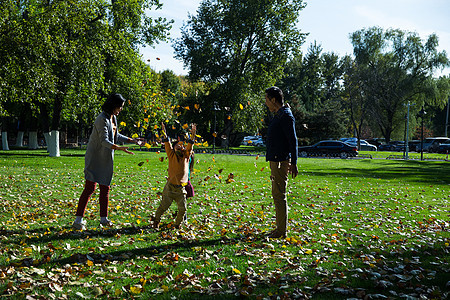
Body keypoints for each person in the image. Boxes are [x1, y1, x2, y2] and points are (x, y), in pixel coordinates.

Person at [72, 93, 143, 230]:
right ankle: (78, 221)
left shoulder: (113, 118)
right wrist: (120, 148)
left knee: (105, 187)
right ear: (113, 105)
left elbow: (116, 135)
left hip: (106, 158)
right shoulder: (101, 119)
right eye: (120, 106)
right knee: (89, 188)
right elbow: (104, 140)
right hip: (95, 157)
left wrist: (131, 140)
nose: (121, 109)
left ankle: (104, 219)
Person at [264, 86, 298, 238]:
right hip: (275, 159)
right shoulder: (279, 114)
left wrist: (294, 162)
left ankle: (281, 231)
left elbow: (293, 140)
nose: (266, 103)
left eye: (267, 100)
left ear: (273, 99)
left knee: (279, 195)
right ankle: (279, 228)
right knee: (277, 194)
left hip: (280, 160)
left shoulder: (285, 115)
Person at [152, 123, 196, 229]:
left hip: (181, 189)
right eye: (177, 145)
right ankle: (156, 221)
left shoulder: (186, 156)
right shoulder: (171, 155)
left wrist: (193, 134)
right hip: (170, 187)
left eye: (181, 146)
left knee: (183, 209)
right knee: (163, 207)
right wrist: (163, 131)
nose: (179, 146)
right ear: (174, 148)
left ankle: (177, 225)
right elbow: (167, 142)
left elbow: (190, 144)